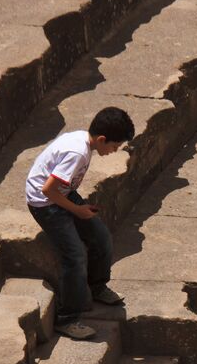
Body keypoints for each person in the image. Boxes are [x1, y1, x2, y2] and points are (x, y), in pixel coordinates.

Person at [25, 107, 135, 340]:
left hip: (63, 194)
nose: (114, 151)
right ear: (102, 139)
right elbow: (48, 190)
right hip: (45, 204)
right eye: (114, 147)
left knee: (101, 237)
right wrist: (77, 210)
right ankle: (67, 319)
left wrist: (78, 208)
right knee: (75, 257)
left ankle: (97, 287)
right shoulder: (77, 153)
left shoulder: (83, 142)